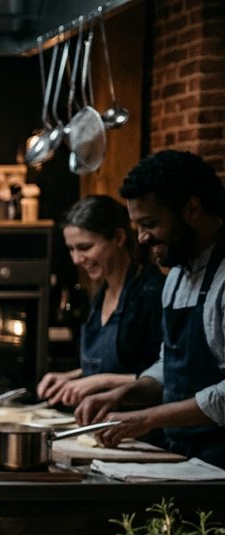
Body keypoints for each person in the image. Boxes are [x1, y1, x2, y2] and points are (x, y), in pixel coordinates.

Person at [77, 150, 225, 466]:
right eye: (137, 226)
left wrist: (147, 419)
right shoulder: (176, 278)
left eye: (150, 223)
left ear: (192, 209)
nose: (142, 238)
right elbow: (168, 366)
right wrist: (124, 394)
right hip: (182, 458)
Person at [36, 195, 164, 408]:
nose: (77, 259)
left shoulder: (152, 292)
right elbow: (108, 366)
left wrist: (99, 382)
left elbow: (168, 375)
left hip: (142, 431)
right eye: (71, 249)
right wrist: (72, 378)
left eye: (85, 247)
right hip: (102, 425)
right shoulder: (99, 295)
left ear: (119, 238)